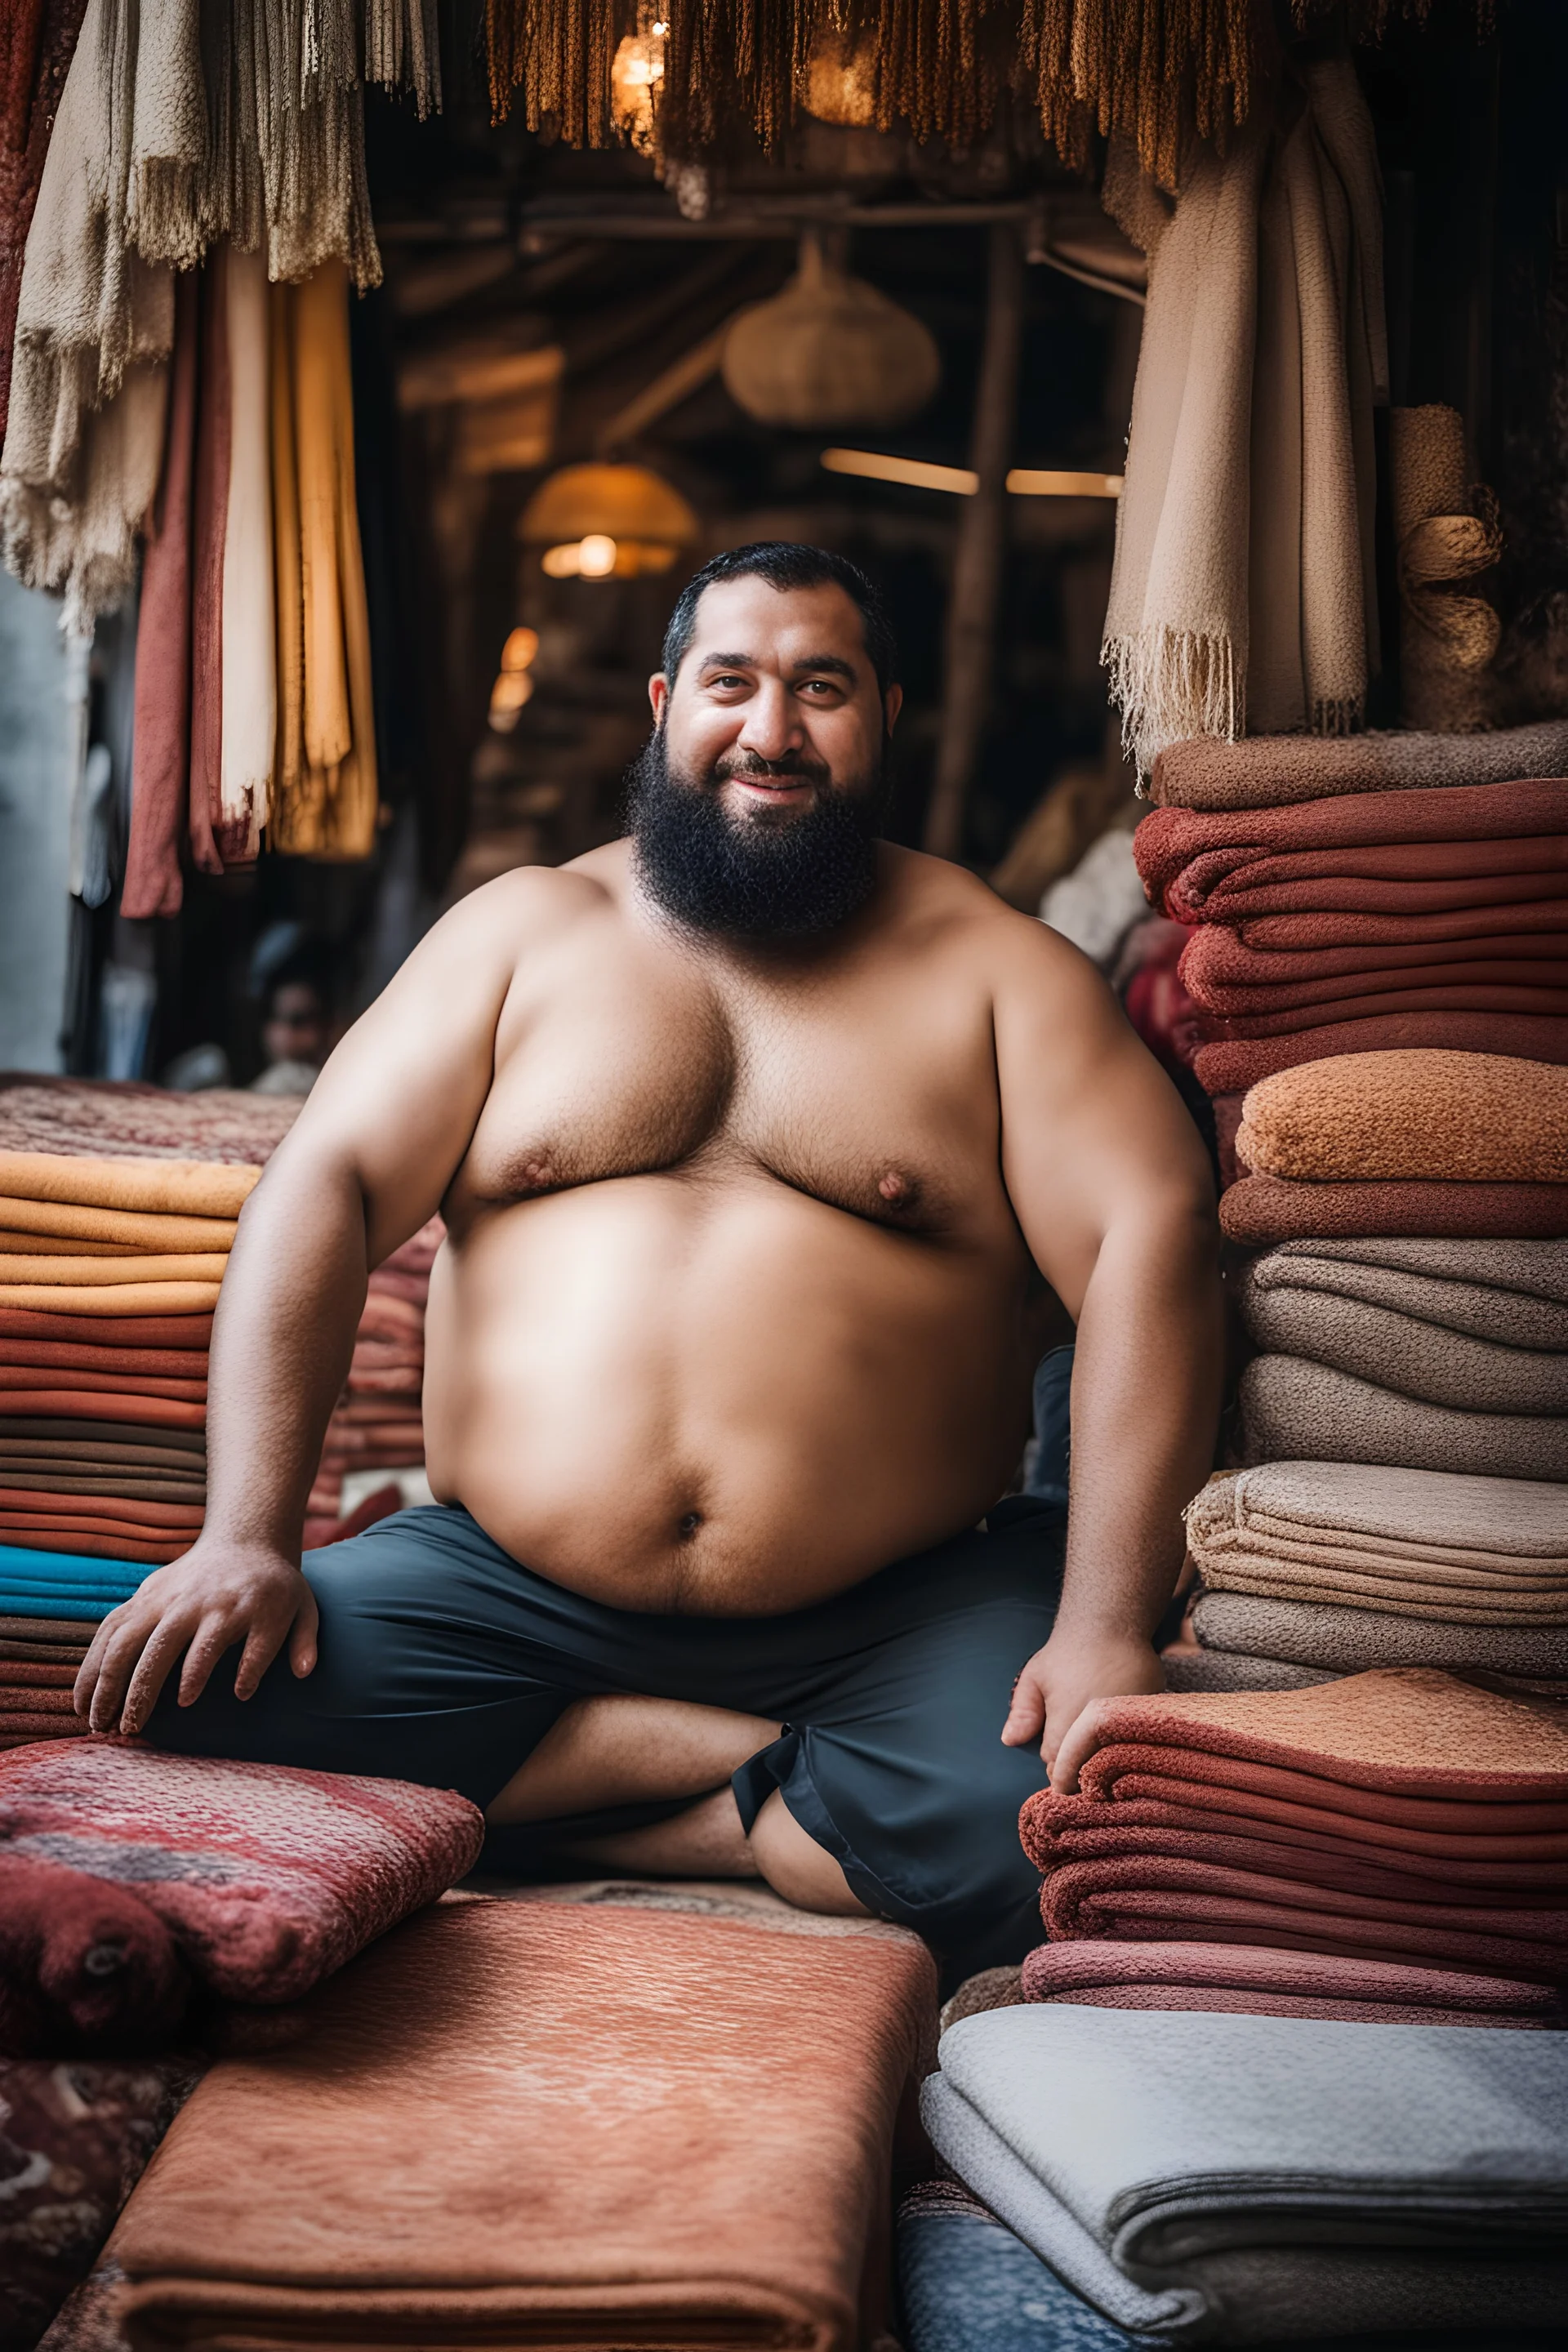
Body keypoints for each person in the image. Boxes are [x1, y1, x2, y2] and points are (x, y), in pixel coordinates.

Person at [75, 544, 1222, 1975]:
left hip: (893, 1607)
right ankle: (770, 1780)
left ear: (887, 717)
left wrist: (1106, 1623)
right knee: (187, 1703)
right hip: (512, 1591)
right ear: (668, 703)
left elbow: (1151, 1237)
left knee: (1063, 1826)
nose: (773, 730)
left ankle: (624, 1800)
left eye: (823, 688)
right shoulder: (524, 933)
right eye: (733, 683)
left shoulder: (1001, 973)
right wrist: (243, 1536)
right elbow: (326, 1183)